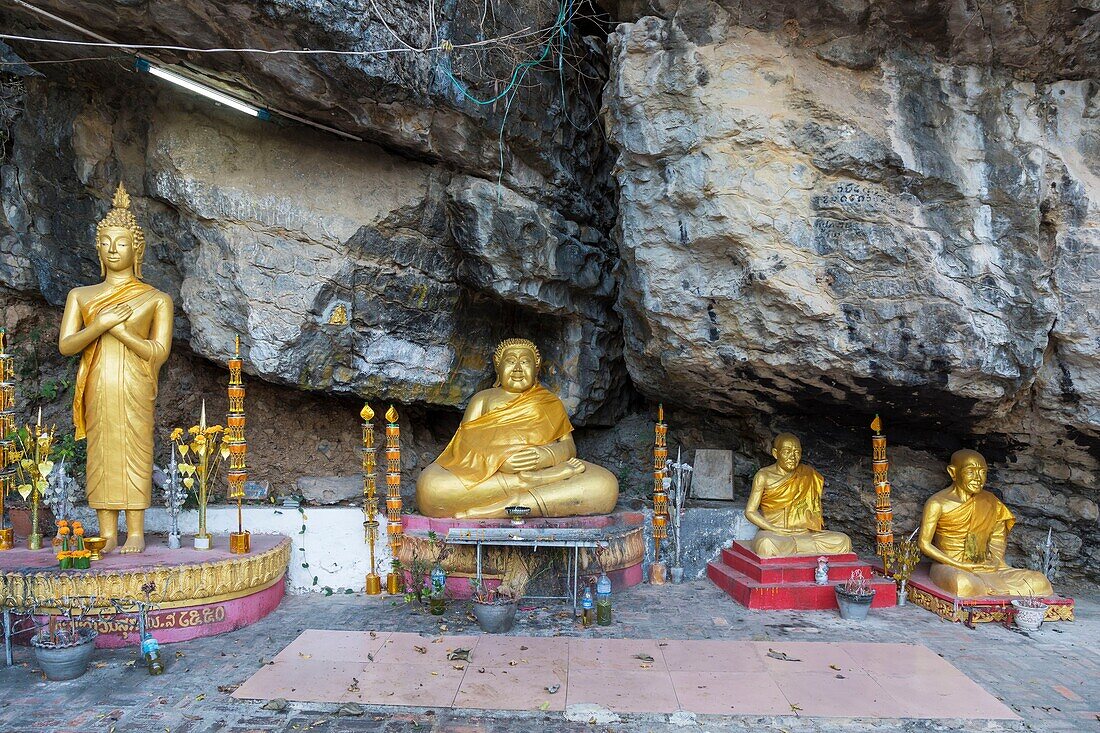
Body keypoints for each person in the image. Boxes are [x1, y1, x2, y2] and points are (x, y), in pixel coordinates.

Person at [58, 184, 173, 553]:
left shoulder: (157, 298)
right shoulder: (81, 295)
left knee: (136, 449)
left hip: (135, 386)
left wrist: (121, 331)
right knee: (102, 452)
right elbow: (66, 346)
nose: (113, 249)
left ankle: (135, 530)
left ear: (137, 249)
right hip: (97, 384)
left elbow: (159, 351)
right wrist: (100, 324)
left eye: (121, 243)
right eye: (106, 242)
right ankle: (106, 531)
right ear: (98, 248)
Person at [416, 338, 618, 519]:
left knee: (605, 485)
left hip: (546, 467)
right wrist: (500, 459)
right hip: (493, 473)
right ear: (498, 368)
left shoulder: (549, 402)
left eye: (526, 362)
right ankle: (526, 485)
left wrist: (546, 455)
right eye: (511, 361)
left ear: (536, 369)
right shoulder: (483, 399)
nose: (518, 368)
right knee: (430, 486)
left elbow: (568, 447)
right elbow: (464, 445)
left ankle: (504, 506)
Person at [918, 449, 1053, 598]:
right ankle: (986, 586)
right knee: (963, 584)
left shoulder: (990, 501)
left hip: (986, 566)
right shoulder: (938, 503)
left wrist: (994, 562)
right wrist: (961, 565)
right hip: (951, 566)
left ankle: (987, 586)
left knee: (1040, 581)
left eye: (982, 472)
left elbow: (997, 539)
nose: (978, 478)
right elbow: (924, 544)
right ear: (953, 472)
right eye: (970, 472)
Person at [744, 433, 852, 557]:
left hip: (806, 533)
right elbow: (750, 512)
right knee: (766, 544)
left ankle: (798, 548)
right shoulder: (764, 476)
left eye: (797, 452)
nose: (793, 457)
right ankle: (801, 548)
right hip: (776, 533)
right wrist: (774, 529)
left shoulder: (808, 474)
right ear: (775, 453)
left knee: (843, 541)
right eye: (787, 451)